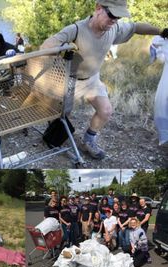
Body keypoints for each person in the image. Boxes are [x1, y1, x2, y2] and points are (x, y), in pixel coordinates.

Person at [40, 0, 168, 160]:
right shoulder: (76, 30)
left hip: (92, 80)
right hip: (69, 82)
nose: (114, 20)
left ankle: (88, 141)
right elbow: (45, 47)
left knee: (106, 111)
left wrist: (161, 31)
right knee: (62, 117)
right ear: (98, 8)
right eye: (112, 15)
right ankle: (53, 133)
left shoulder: (114, 29)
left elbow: (136, 27)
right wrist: (61, 49)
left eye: (118, 17)